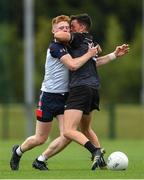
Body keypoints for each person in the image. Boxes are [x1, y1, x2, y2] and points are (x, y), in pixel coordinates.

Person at [32, 14, 129, 171]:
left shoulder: (76, 38)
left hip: (80, 89)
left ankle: (95, 151)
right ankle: (102, 164)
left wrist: (58, 31)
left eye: (72, 26)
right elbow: (93, 62)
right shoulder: (89, 41)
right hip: (93, 89)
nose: (70, 29)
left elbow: (60, 38)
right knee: (86, 129)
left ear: (82, 28)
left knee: (69, 131)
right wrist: (113, 55)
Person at [10, 15, 99, 171]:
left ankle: (41, 159)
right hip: (48, 97)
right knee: (40, 138)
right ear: (53, 31)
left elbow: (89, 63)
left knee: (68, 134)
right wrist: (89, 54)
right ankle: (18, 151)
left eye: (67, 28)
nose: (65, 30)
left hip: (66, 96)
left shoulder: (72, 46)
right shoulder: (55, 47)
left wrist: (110, 55)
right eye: (61, 28)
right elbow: (73, 65)